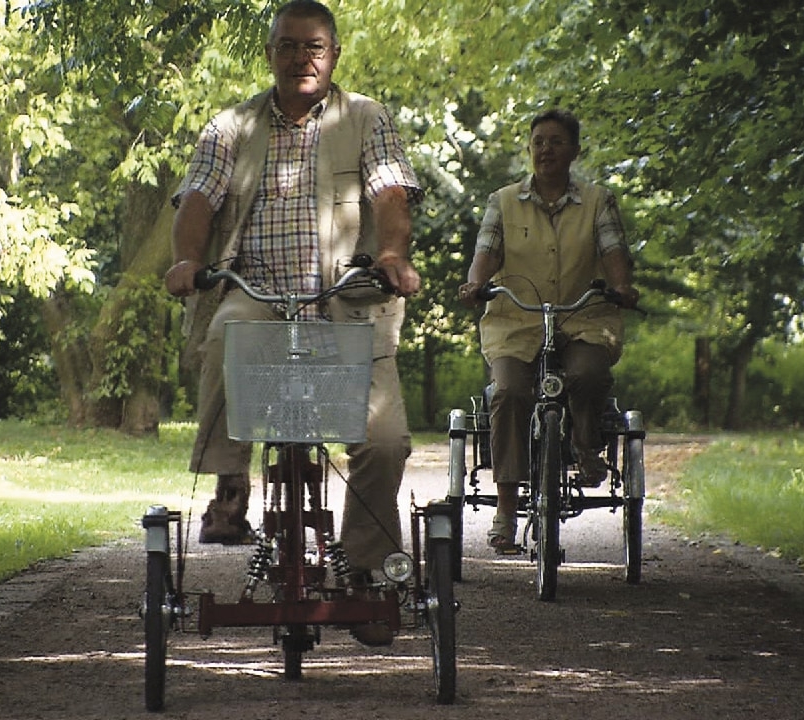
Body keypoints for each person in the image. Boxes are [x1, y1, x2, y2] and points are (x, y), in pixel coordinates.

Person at [163, 0, 423, 644]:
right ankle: (230, 485)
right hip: (259, 291)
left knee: (384, 439)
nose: (300, 58)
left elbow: (391, 192)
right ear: (270, 52)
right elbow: (198, 197)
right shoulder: (232, 126)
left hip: (344, 298)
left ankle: (366, 569)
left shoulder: (366, 118)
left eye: (314, 47)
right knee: (227, 335)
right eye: (287, 45)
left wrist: (391, 254)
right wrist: (188, 260)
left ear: (334, 55)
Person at [458, 109, 639, 554]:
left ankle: (585, 447)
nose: (546, 149)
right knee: (509, 392)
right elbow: (487, 249)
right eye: (539, 141)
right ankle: (505, 507)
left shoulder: (599, 201)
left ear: (575, 151)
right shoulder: (503, 201)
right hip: (516, 322)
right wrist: (477, 283)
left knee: (590, 373)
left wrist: (620, 288)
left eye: (557, 142)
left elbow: (614, 249)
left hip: (584, 317)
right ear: (530, 148)